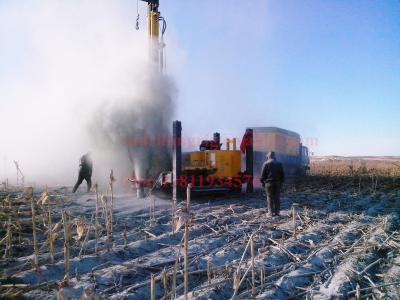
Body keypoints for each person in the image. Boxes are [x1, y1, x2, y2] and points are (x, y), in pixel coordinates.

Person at [260, 151, 285, 217]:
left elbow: (262, 175)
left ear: (268, 156)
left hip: (269, 184)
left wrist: (262, 183)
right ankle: (277, 212)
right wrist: (281, 183)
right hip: (277, 183)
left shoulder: (266, 163)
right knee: (277, 197)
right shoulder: (279, 164)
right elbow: (282, 175)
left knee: (269, 197)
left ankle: (270, 213)